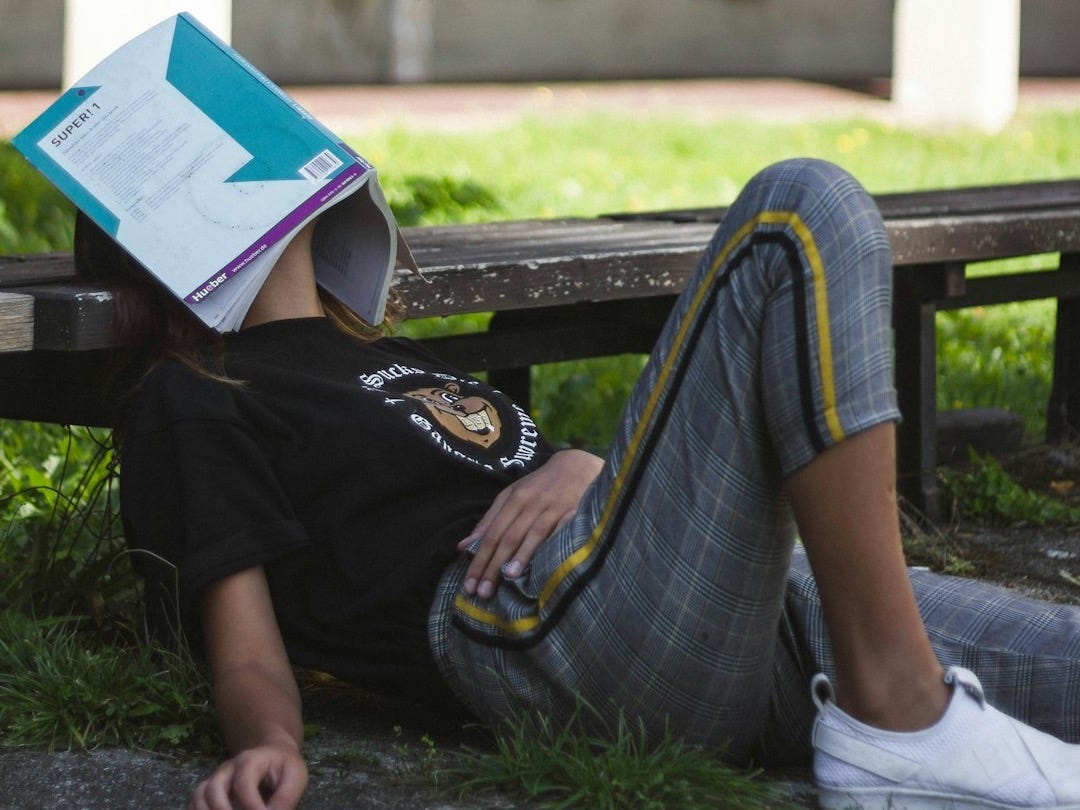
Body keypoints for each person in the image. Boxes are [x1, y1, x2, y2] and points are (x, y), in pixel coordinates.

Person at [76, 158, 1080, 810]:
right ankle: (898, 716)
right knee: (800, 212)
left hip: (720, 612)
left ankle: (889, 704)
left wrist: (579, 460)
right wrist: (271, 746)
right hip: (542, 636)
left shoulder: (387, 357)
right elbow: (244, 644)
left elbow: (547, 483)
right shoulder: (196, 395)